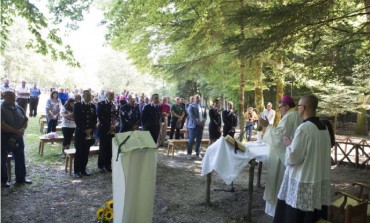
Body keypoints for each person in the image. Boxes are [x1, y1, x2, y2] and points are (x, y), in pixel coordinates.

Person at [273, 95, 332, 223]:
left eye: (298, 106)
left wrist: (289, 145)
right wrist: (294, 143)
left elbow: (294, 158)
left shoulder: (304, 128)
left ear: (303, 108)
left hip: (303, 179)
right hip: (318, 178)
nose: (297, 109)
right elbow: (313, 150)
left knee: (296, 217)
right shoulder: (324, 127)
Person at [259, 96, 303, 217]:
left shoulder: (289, 116)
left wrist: (266, 126)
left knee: (279, 184)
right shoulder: (298, 115)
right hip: (292, 154)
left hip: (282, 157)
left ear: (287, 106)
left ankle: (277, 212)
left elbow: (278, 137)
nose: (279, 110)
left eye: (280, 107)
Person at [1, 90, 32, 187]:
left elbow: (25, 120)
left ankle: (21, 178)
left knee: (20, 156)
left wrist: (22, 129)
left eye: (14, 96)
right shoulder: (1, 108)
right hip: (4, 136)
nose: (13, 98)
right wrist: (15, 131)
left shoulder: (18, 107)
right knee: (2, 158)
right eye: (10, 96)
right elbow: (1, 124)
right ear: (4, 96)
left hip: (18, 136)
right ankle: (3, 180)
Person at [73, 90, 97, 178]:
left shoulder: (93, 106)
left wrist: (91, 129)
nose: (89, 97)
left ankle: (83, 169)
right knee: (79, 151)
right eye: (87, 95)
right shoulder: (78, 105)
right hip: (80, 132)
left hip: (89, 133)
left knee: (86, 151)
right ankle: (76, 171)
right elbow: (77, 119)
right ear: (83, 96)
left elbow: (94, 119)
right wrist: (85, 129)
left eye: (90, 95)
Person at [97, 91, 119, 173]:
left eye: (113, 95)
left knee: (110, 147)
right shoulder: (101, 104)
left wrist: (115, 125)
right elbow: (100, 116)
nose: (112, 96)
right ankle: (101, 165)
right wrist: (108, 125)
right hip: (104, 129)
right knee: (103, 147)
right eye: (110, 95)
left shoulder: (115, 104)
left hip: (113, 129)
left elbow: (117, 116)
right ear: (106, 95)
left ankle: (108, 165)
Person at [186, 94, 207, 160]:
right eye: (196, 98)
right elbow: (192, 116)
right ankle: (189, 154)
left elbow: (205, 116)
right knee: (191, 140)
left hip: (200, 126)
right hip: (193, 126)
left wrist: (203, 122)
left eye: (199, 98)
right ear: (194, 99)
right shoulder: (191, 106)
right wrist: (198, 122)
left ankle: (198, 153)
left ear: (200, 99)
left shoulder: (202, 107)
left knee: (199, 140)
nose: (198, 99)